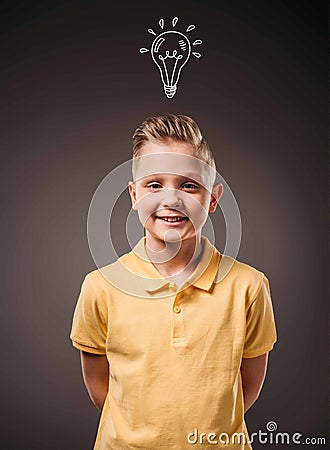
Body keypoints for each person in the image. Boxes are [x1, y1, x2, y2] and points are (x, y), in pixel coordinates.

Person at [70, 114, 277, 449]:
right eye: (154, 184)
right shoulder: (101, 287)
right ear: (134, 195)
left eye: (189, 185)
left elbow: (246, 387)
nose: (171, 200)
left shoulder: (248, 287)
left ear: (212, 199)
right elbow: (101, 389)